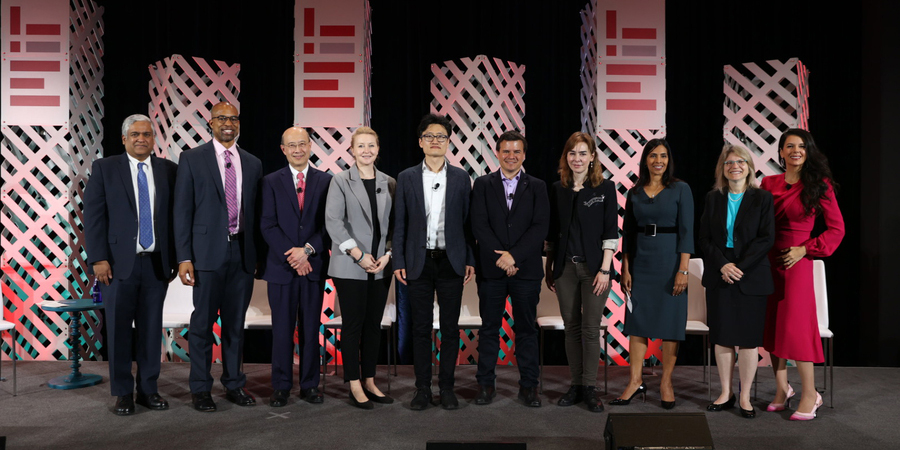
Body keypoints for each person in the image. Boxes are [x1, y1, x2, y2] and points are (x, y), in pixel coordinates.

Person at [84, 114, 178, 415]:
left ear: (154, 139)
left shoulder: (169, 170)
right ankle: (123, 392)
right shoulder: (105, 168)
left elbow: (177, 217)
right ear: (124, 139)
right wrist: (98, 258)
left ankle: (148, 390)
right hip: (115, 265)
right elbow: (94, 217)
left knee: (151, 331)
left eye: (147, 134)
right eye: (135, 134)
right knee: (119, 331)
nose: (141, 139)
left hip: (156, 265)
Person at [174, 101, 263, 412]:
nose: (228, 123)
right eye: (221, 118)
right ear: (210, 123)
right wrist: (184, 256)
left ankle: (234, 384)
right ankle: (200, 388)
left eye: (233, 118)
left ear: (239, 124)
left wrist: (258, 257)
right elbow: (182, 211)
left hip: (242, 253)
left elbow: (257, 214)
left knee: (235, 325)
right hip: (206, 255)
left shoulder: (252, 163)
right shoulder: (192, 159)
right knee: (202, 325)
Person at [393, 114, 475, 410]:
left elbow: (468, 224)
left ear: (448, 142)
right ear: (420, 142)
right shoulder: (407, 177)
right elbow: (399, 223)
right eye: (429, 136)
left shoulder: (461, 177)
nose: (435, 141)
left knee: (450, 328)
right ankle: (422, 389)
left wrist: (469, 258)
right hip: (418, 262)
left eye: (441, 136)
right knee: (420, 328)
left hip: (451, 262)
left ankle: (448, 388)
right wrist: (398, 260)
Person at [761, 128, 844, 421]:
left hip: (798, 264)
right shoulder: (767, 183)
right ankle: (783, 389)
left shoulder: (819, 184)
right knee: (771, 328)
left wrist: (806, 249)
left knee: (795, 329)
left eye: (801, 146)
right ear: (781, 152)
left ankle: (810, 393)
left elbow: (837, 229)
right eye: (789, 146)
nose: (795, 150)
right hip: (769, 263)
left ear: (807, 152)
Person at [470, 130, 549, 407]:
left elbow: (540, 227)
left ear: (524, 155)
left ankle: (529, 387)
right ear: (498, 153)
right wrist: (502, 259)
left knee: (526, 330)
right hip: (492, 272)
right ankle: (485, 385)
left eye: (517, 151)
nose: (511, 156)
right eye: (506, 151)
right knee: (489, 329)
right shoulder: (482, 184)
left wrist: (514, 257)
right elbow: (479, 224)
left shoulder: (537, 186)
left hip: (525, 271)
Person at [613, 138, 693, 409]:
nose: (658, 160)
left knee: (670, 324)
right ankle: (635, 381)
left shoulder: (681, 189)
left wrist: (683, 269)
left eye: (663, 156)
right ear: (645, 160)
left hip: (670, 261)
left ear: (669, 160)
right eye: (653, 156)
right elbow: (628, 233)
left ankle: (665, 382)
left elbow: (687, 232)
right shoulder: (634, 193)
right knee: (637, 323)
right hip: (640, 262)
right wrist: (625, 266)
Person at [699, 144, 774, 419]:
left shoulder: (762, 198)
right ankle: (725, 393)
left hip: (750, 273)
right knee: (722, 338)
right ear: (723, 168)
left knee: (748, 340)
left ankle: (745, 397)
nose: (735, 166)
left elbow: (766, 238)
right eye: (729, 162)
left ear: (749, 166)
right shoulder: (712, 198)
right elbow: (704, 238)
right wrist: (723, 264)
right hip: (721, 272)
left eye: (740, 162)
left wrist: (739, 267)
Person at [545, 132, 617, 413]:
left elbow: (611, 232)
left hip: (595, 270)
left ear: (592, 158)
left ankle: (589, 387)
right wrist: (550, 265)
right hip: (565, 268)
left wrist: (605, 269)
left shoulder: (605, 188)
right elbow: (552, 233)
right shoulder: (557, 188)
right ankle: (575, 384)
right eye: (572, 153)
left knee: (590, 329)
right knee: (571, 328)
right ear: (566, 157)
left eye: (583, 153)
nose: (577, 158)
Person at [324, 126, 396, 410]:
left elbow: (395, 226)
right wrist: (358, 254)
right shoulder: (340, 181)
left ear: (378, 149)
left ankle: (369, 379)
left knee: (373, 327)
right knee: (353, 326)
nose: (366, 150)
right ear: (352, 150)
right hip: (350, 265)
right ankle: (353, 382)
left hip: (381, 265)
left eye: (371, 146)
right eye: (360, 146)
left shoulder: (390, 181)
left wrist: (389, 254)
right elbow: (334, 222)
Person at [260, 127, 332, 407]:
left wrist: (308, 251)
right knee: (282, 330)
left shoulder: (327, 181)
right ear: (283, 149)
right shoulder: (270, 181)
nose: (298, 149)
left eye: (302, 144)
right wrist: (293, 255)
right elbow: (267, 223)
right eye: (292, 145)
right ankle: (280, 386)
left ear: (311, 146)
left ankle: (310, 384)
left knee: (311, 327)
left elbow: (330, 224)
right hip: (281, 268)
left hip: (313, 267)